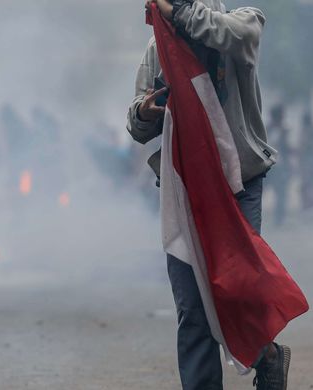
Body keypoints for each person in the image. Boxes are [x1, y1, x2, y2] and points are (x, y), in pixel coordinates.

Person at [127, 1, 292, 389]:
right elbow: (136, 122)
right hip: (185, 188)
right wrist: (149, 111)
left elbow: (226, 33)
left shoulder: (241, 23)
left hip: (239, 181)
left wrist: (177, 11)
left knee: (240, 288)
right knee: (193, 306)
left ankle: (266, 355)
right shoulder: (158, 49)